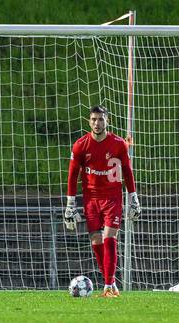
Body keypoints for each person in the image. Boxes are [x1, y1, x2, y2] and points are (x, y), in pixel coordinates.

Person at [63, 105, 140, 297]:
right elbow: (72, 176)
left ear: (108, 121)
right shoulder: (80, 145)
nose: (97, 123)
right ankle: (111, 283)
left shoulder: (118, 143)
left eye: (100, 119)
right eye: (93, 119)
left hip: (112, 197)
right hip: (90, 199)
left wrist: (133, 197)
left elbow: (128, 172)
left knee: (109, 237)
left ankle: (107, 285)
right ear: (89, 121)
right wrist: (70, 204)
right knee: (96, 240)